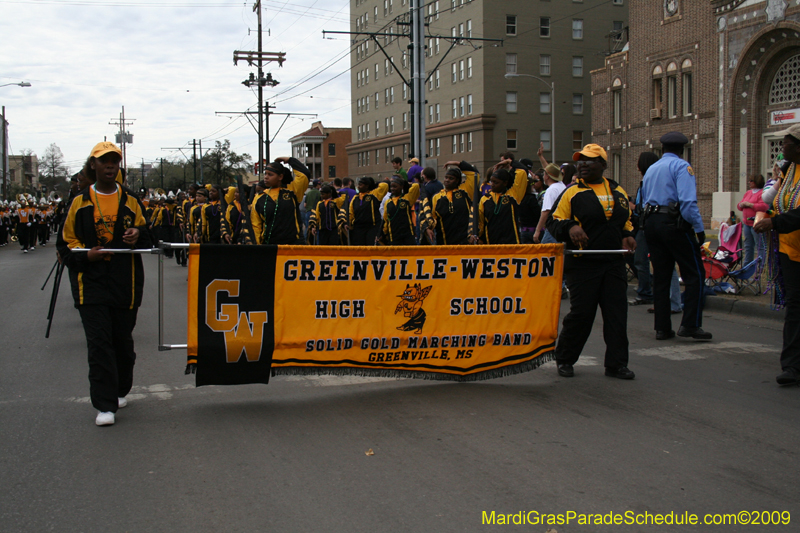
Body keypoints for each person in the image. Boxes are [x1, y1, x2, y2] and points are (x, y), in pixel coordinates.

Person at [57, 141, 151, 426]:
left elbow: (149, 236)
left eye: (114, 161)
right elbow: (65, 246)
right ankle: (104, 405)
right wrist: (88, 256)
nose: (110, 165)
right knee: (99, 344)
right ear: (93, 165)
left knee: (121, 341)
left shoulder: (131, 199)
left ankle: (120, 389)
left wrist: (138, 233)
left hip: (126, 282)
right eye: (104, 161)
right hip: (92, 284)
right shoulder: (79, 202)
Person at [546, 143, 637, 379]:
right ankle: (565, 358)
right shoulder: (572, 192)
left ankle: (616, 364)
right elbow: (553, 222)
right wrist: (570, 226)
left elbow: (625, 221)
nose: (583, 164)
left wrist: (627, 236)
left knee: (616, 315)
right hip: (583, 263)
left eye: (590, 160)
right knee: (582, 314)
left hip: (614, 263)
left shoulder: (618, 191)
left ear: (603, 165)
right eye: (580, 160)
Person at [641, 132, 711, 341]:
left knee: (661, 276)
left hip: (652, 223)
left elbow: (644, 197)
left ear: (662, 149)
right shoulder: (682, 167)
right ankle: (690, 324)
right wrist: (698, 229)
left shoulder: (651, 169)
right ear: (681, 150)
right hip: (674, 224)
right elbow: (688, 202)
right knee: (695, 274)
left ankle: (662, 328)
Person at [754, 123, 800, 386]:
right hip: (788, 251)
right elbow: (774, 201)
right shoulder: (787, 170)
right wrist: (765, 215)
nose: (782, 147)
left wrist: (775, 223)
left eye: (786, 143)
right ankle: (792, 366)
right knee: (794, 307)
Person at [250, 157, 310, 245]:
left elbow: (304, 174)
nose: (266, 177)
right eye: (265, 174)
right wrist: (257, 246)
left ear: (280, 176)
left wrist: (289, 160)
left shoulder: (293, 191)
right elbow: (256, 225)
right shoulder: (260, 197)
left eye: (270, 175)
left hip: (293, 246)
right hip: (270, 247)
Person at [471, 159, 527, 244]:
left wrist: (509, 162)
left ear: (505, 183)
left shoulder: (514, 195)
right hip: (491, 243)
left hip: (511, 244)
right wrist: (479, 237)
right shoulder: (485, 199)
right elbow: (481, 222)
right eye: (491, 181)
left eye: (496, 182)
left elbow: (522, 172)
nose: (492, 184)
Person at [422, 161, 477, 246]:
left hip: (464, 243)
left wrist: (457, 163)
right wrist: (427, 228)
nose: (447, 180)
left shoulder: (465, 191)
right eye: (446, 177)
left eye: (451, 178)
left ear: (457, 180)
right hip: (444, 243)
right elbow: (431, 217)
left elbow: (474, 174)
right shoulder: (437, 197)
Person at [630, 152, 660, 306]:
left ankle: (645, 292)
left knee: (640, 260)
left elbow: (644, 206)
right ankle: (649, 288)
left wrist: (632, 205)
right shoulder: (653, 180)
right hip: (649, 225)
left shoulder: (647, 182)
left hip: (645, 225)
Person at [341, 177, 389, 246]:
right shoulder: (355, 197)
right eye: (358, 184)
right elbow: (351, 212)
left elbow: (385, 186)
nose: (359, 186)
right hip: (358, 227)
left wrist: (373, 184)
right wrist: (349, 223)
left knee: (370, 246)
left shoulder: (374, 194)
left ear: (367, 186)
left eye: (361, 184)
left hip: (372, 227)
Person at [737, 173, 768, 266]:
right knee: (748, 246)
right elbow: (740, 205)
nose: (749, 182)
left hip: (757, 223)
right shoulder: (748, 192)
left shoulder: (762, 193)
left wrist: (751, 205)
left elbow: (764, 206)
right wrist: (741, 205)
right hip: (746, 224)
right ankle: (747, 266)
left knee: (760, 246)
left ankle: (761, 266)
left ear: (756, 182)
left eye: (751, 181)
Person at [534, 164, 567, 244]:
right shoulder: (562, 186)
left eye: (544, 174)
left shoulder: (551, 190)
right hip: (562, 226)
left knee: (545, 254)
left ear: (547, 176)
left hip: (552, 228)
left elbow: (546, 212)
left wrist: (537, 230)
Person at [382, 177, 420, 245]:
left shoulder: (407, 199)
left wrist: (406, 184)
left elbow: (416, 186)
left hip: (407, 233)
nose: (392, 189)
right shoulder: (388, 202)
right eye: (391, 187)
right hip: (394, 234)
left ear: (401, 187)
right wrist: (384, 232)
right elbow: (385, 219)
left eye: (395, 186)